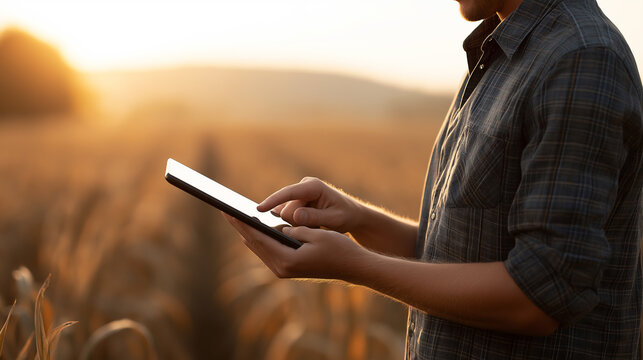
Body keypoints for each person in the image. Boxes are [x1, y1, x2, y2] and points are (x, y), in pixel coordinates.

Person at [224, 0, 643, 357]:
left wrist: (355, 266)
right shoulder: (501, 53)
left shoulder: (582, 58)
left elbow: (540, 296)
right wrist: (359, 220)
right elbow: (460, 259)